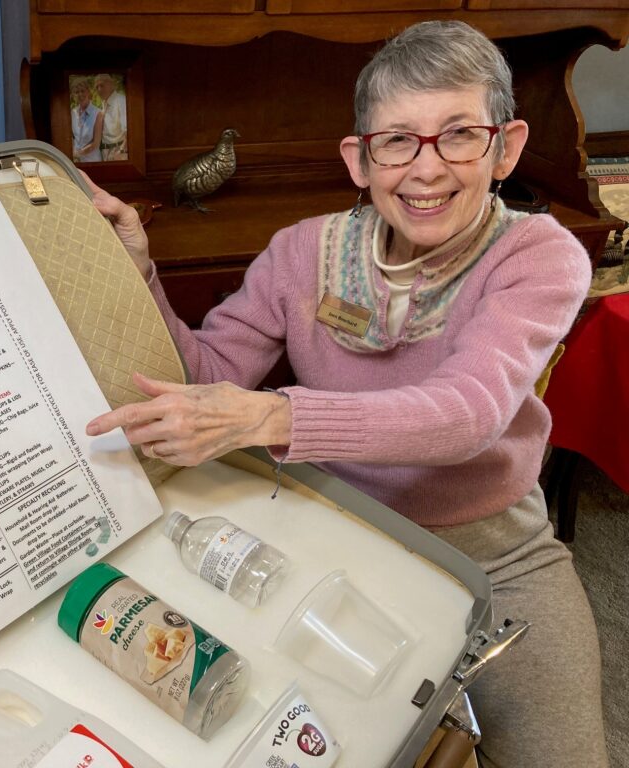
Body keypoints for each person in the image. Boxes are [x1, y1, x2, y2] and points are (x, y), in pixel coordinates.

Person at [84, 20, 607, 768]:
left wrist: (273, 414)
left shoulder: (538, 255)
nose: (426, 171)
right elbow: (206, 375)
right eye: (397, 141)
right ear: (360, 160)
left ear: (507, 147)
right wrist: (140, 273)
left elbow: (467, 415)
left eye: (459, 134)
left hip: (495, 553)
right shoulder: (302, 251)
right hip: (323, 536)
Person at [94, 73, 128, 161]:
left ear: (111, 85)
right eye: (97, 87)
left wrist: (121, 150)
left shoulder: (121, 101)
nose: (99, 89)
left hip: (118, 151)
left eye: (102, 85)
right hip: (106, 152)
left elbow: (129, 130)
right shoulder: (104, 103)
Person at [70, 76, 103, 163]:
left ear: (88, 92)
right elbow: (72, 138)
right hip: (76, 162)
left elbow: (95, 144)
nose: (80, 94)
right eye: (77, 92)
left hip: (92, 161)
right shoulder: (72, 113)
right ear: (73, 95)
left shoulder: (98, 113)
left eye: (82, 91)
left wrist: (77, 155)